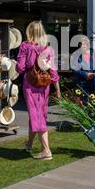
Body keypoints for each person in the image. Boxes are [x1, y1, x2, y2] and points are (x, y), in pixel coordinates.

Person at [17, 21, 61, 161]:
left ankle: (46, 150)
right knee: (38, 114)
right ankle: (29, 145)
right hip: (44, 85)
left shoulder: (25, 46)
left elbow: (20, 68)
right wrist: (56, 87)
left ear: (29, 32)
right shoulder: (48, 49)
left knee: (37, 116)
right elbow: (53, 72)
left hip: (30, 85)